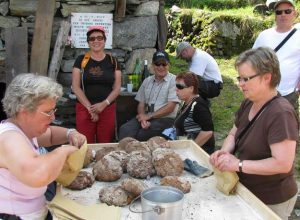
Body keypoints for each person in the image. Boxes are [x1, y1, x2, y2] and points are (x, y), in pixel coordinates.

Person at [209, 47, 298, 220]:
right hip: (246, 189)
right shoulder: (249, 102)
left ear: (267, 77)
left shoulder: (281, 113)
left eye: (246, 79)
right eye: (239, 78)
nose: (240, 84)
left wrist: (238, 165)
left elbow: (282, 164)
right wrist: (224, 153)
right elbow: (233, 134)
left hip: (271, 200)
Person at [0, 73, 86, 220]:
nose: (53, 117)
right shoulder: (9, 138)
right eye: (48, 112)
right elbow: (37, 174)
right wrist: (62, 152)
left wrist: (70, 133)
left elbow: (51, 134)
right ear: (24, 111)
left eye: (54, 110)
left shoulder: (26, 130)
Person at [72, 25, 122, 143]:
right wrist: (90, 109)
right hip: (85, 108)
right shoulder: (81, 60)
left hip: (107, 108)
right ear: (88, 42)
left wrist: (104, 104)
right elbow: (75, 86)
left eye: (99, 38)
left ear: (104, 41)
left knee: (105, 143)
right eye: (92, 38)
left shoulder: (113, 61)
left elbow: (117, 87)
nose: (96, 41)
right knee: (84, 143)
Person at [119, 51, 180, 141]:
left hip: (166, 119)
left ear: (169, 65)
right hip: (148, 116)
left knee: (142, 134)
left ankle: (141, 153)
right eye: (157, 64)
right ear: (152, 65)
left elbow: (170, 107)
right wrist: (143, 117)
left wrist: (149, 116)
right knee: (125, 129)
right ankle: (126, 153)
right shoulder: (147, 81)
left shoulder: (174, 80)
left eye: (164, 64)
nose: (161, 67)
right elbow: (141, 104)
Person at [253, 0, 300, 113]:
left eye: (287, 11)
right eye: (279, 12)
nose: (283, 15)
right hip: (263, 90)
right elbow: (252, 59)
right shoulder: (264, 35)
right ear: (275, 16)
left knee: (288, 126)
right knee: (262, 123)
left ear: (294, 13)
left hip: (289, 92)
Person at [174, 71, 215, 154]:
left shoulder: (198, 105)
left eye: (180, 86)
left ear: (191, 88)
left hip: (199, 153)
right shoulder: (186, 101)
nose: (176, 89)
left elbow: (208, 132)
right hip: (184, 146)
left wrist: (191, 149)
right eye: (176, 85)